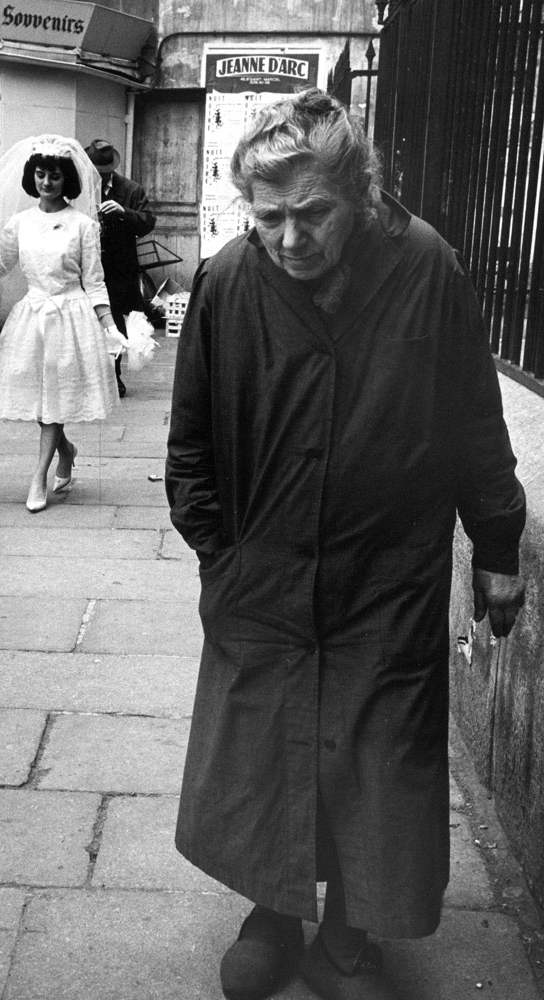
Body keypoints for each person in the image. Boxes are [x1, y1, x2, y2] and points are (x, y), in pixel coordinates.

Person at [165, 89, 526, 1000]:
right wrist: (222, 555)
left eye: (313, 214)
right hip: (263, 572)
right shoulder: (226, 282)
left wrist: (496, 545)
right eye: (269, 219)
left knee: (376, 758)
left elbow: (473, 423)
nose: (290, 240)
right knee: (262, 750)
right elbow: (190, 446)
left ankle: (351, 931)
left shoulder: (425, 266)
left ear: (359, 194)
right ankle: (271, 912)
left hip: (386, 574)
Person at [0, 135, 124, 512]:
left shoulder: (82, 225)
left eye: (56, 176)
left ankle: (39, 474)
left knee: (55, 401)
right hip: (32, 316)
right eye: (42, 175)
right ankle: (66, 450)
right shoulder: (20, 223)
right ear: (34, 177)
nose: (47, 183)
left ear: (68, 181)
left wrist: (109, 326)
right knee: (39, 400)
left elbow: (94, 280)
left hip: (70, 316)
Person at [85, 138, 156, 397]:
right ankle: (88, 378)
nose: (101, 179)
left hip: (118, 268)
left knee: (113, 322)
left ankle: (113, 377)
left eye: (104, 174)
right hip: (86, 266)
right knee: (85, 323)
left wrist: (123, 212)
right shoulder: (79, 187)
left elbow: (148, 222)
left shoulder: (131, 189)